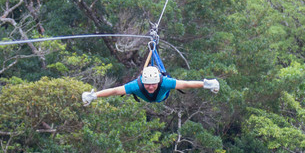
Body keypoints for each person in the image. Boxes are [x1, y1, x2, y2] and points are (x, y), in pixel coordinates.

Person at [82, 66, 219, 105]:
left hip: (162, 96)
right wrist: (94, 95)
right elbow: (115, 91)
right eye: (148, 85)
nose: (151, 87)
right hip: (147, 97)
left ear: (158, 81)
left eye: (153, 84)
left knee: (174, 83)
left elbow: (186, 84)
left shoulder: (164, 82)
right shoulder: (137, 85)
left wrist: (206, 84)